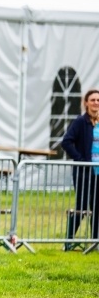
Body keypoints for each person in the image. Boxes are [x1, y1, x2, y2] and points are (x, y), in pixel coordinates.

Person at [61, 88, 99, 251]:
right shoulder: (80, 122)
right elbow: (66, 142)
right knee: (82, 207)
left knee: (97, 207)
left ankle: (95, 241)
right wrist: (80, 159)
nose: (96, 103)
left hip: (98, 173)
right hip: (85, 172)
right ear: (86, 103)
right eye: (92, 100)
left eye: (98, 100)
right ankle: (68, 241)